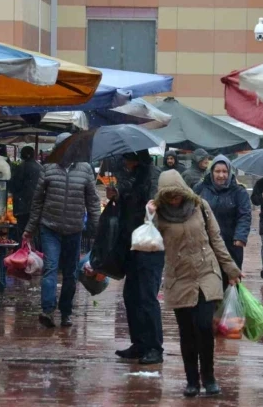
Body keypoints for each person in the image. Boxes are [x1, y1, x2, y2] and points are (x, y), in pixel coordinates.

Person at [148, 170, 242, 397]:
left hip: (206, 273)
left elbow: (216, 239)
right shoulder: (159, 215)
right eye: (168, 196)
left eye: (177, 194)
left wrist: (231, 268)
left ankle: (209, 377)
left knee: (203, 326)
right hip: (179, 276)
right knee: (187, 331)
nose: (174, 199)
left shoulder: (201, 207)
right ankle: (192, 380)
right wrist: (149, 215)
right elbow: (147, 240)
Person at [24, 133, 101, 329]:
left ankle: (66, 312)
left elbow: (93, 201)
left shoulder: (85, 169)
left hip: (74, 229)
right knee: (50, 267)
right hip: (50, 227)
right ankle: (47, 310)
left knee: (70, 273)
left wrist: (97, 227)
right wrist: (30, 229)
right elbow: (37, 201)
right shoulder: (48, 169)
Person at [109, 150, 164, 365]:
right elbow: (127, 208)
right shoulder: (128, 177)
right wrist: (116, 196)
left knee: (147, 297)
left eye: (127, 159)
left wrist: (150, 205)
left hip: (149, 245)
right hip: (131, 244)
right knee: (131, 295)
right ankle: (139, 343)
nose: (124, 163)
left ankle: (154, 347)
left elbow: (154, 206)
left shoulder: (152, 175)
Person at [194, 155, 251, 292]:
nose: (221, 175)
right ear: (211, 172)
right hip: (207, 244)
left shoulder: (239, 191)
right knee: (209, 280)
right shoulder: (201, 189)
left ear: (229, 172)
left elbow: (244, 215)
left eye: (224, 171)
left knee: (231, 280)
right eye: (217, 171)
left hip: (231, 243)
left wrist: (240, 237)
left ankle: (230, 312)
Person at [9, 146, 42, 240]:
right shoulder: (40, 167)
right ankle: (33, 251)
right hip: (37, 206)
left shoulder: (21, 167)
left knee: (22, 232)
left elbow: (14, 186)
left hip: (23, 206)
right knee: (35, 233)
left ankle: (23, 251)